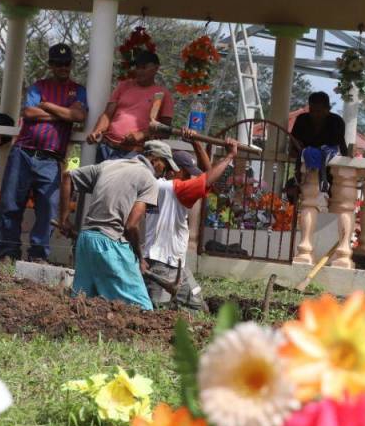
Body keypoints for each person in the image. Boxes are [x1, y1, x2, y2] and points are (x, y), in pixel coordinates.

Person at [0, 44, 88, 262]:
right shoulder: (39, 86)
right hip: (24, 152)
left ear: (71, 65)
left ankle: (38, 255)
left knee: (48, 209)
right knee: (10, 204)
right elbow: (28, 112)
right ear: (51, 65)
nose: (63, 67)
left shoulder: (78, 90)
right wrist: (64, 114)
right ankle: (7, 253)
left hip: (51, 158)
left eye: (66, 63)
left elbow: (78, 116)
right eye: (58, 63)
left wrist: (47, 106)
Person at [66, 141, 180, 309]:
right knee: (142, 308)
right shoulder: (148, 179)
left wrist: (63, 220)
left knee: (82, 304)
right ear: (155, 159)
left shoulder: (110, 165)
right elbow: (131, 226)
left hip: (85, 240)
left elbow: (67, 177)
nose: (164, 172)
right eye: (165, 165)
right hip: (110, 244)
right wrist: (140, 258)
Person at [143, 133, 238, 311]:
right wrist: (230, 156)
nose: (190, 180)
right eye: (187, 174)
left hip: (177, 264)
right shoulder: (172, 189)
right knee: (154, 312)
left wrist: (197, 144)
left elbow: (206, 175)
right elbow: (208, 179)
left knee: (198, 307)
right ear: (173, 170)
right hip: (160, 265)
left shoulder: (160, 186)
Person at [86, 51, 174, 161]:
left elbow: (166, 131)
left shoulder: (163, 94)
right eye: (137, 67)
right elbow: (107, 115)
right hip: (107, 147)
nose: (139, 71)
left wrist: (142, 134)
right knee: (100, 178)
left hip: (135, 153)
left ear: (156, 68)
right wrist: (97, 131)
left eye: (144, 67)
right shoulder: (124, 86)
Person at [288, 91, 349, 195]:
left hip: (329, 173)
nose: (315, 114)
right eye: (312, 110)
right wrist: (298, 151)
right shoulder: (302, 119)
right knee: (290, 190)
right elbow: (293, 142)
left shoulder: (336, 122)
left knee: (330, 195)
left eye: (319, 111)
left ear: (328, 109)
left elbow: (342, 146)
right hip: (304, 170)